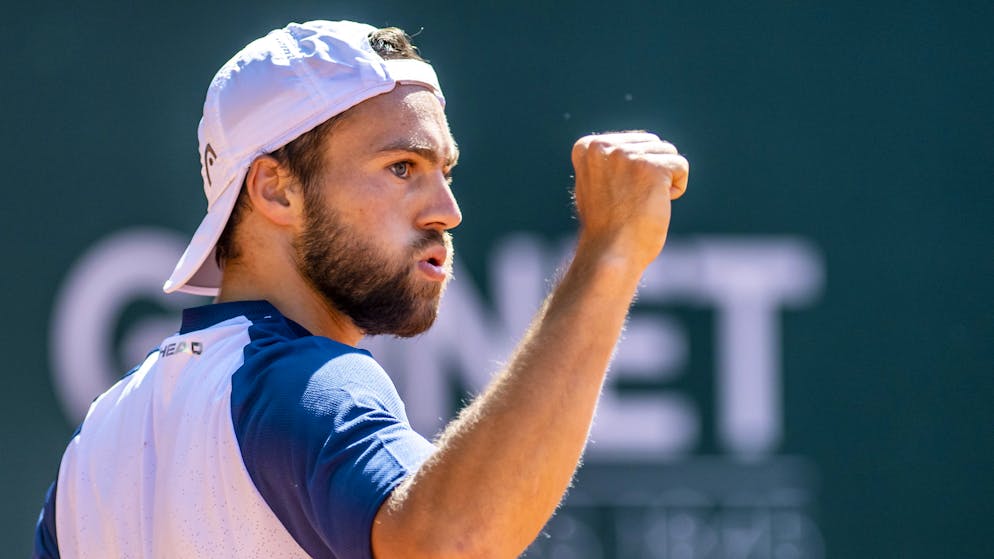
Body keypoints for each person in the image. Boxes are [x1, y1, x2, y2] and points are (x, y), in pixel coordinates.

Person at [34, 19, 688, 559]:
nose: (447, 210)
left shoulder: (96, 443)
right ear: (276, 190)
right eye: (401, 167)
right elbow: (454, 542)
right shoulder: (299, 381)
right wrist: (609, 254)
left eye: (444, 171)